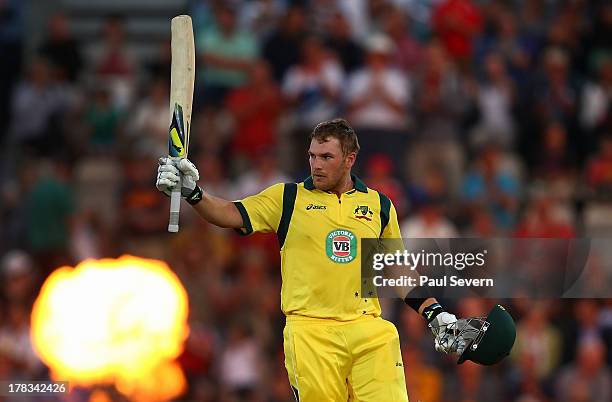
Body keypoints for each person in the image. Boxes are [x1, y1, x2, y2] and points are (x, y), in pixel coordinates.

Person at [156, 118, 461, 401]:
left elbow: (398, 269)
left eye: (326, 157)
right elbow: (230, 213)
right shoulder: (288, 198)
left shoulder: (379, 205)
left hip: (368, 329)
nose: (316, 164)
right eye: (312, 156)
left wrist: (435, 313)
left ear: (349, 159)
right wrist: (194, 193)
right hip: (310, 331)